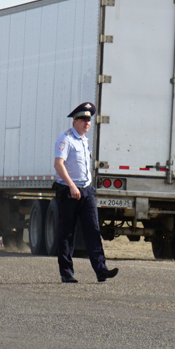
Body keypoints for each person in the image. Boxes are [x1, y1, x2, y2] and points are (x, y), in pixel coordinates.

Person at [52, 101, 117, 284]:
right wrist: (72, 186)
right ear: (74, 121)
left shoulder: (84, 140)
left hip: (86, 191)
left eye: (88, 120)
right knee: (67, 233)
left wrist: (85, 187)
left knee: (93, 230)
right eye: (82, 119)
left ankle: (101, 270)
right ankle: (66, 273)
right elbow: (58, 164)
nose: (86, 123)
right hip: (69, 191)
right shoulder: (66, 139)